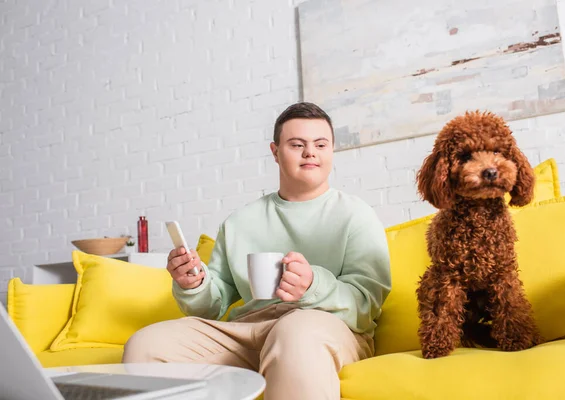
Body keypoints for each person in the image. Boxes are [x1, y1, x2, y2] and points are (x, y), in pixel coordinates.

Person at [122, 102, 392, 400]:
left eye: (320, 144)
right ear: (275, 152)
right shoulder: (239, 222)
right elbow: (213, 307)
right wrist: (193, 284)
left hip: (327, 328)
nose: (310, 152)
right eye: (297, 144)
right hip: (249, 331)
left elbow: (367, 305)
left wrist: (313, 286)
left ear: (332, 150)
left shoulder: (356, 215)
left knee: (295, 333)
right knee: (146, 345)